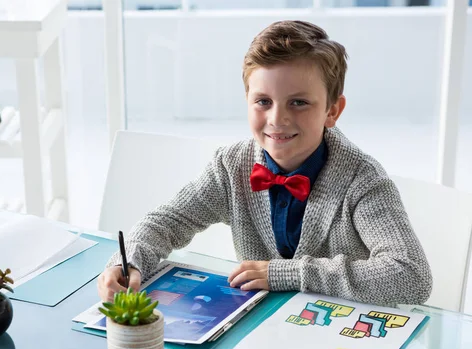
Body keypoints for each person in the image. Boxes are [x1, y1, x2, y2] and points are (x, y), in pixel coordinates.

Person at [97, 20, 432, 307]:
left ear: (332, 110)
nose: (278, 118)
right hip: (259, 335)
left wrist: (286, 273)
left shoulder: (364, 181)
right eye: (263, 101)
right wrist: (128, 263)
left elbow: (412, 276)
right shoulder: (230, 167)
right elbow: (166, 222)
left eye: (299, 102)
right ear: (247, 101)